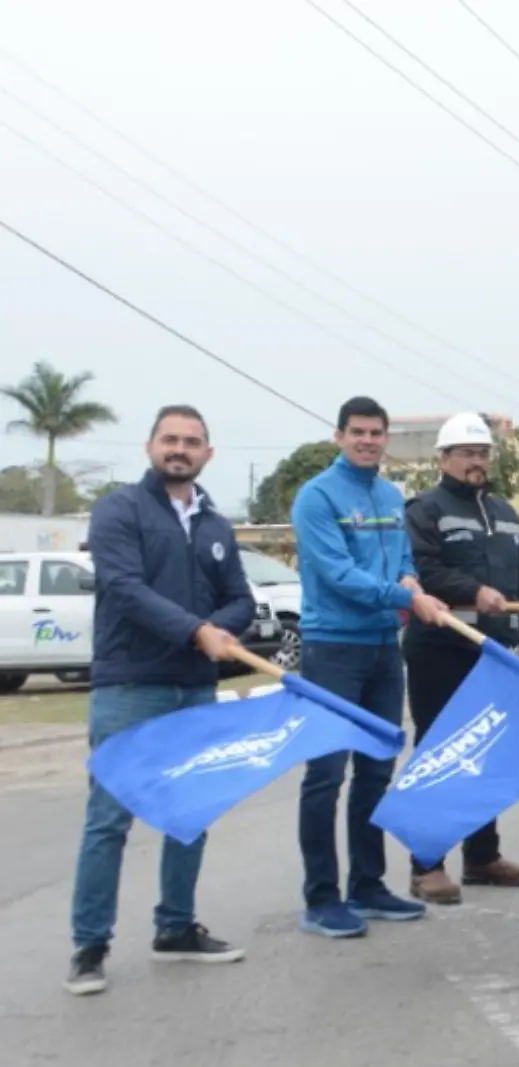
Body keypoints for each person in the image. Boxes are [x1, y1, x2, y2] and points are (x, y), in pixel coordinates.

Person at [65, 405, 254, 996]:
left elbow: (241, 600)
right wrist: (198, 631)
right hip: (129, 687)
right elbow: (124, 590)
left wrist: (217, 628)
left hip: (195, 686)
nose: (180, 449)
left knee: (189, 813)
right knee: (109, 820)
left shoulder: (217, 525)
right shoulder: (119, 511)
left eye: (192, 441)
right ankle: (89, 945)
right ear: (150, 446)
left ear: (208, 454)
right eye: (170, 439)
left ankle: (175, 929)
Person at [290, 396, 452, 938]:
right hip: (332, 648)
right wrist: (398, 595)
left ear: (386, 438)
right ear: (339, 436)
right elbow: (336, 573)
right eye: (357, 432)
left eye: (376, 433)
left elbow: (402, 560)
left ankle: (367, 885)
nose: (367, 440)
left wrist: (411, 585)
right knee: (327, 774)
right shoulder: (315, 497)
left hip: (385, 646)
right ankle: (321, 898)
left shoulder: (389, 494)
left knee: (377, 769)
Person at [399, 412, 519, 904]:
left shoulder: (504, 512)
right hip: (440, 648)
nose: (477, 461)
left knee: (487, 753)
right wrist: (473, 591)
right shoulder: (425, 509)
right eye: (467, 453)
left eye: (483, 453)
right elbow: (423, 569)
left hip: (493, 651)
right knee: (439, 753)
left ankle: (482, 856)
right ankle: (426, 864)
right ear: (444, 459)